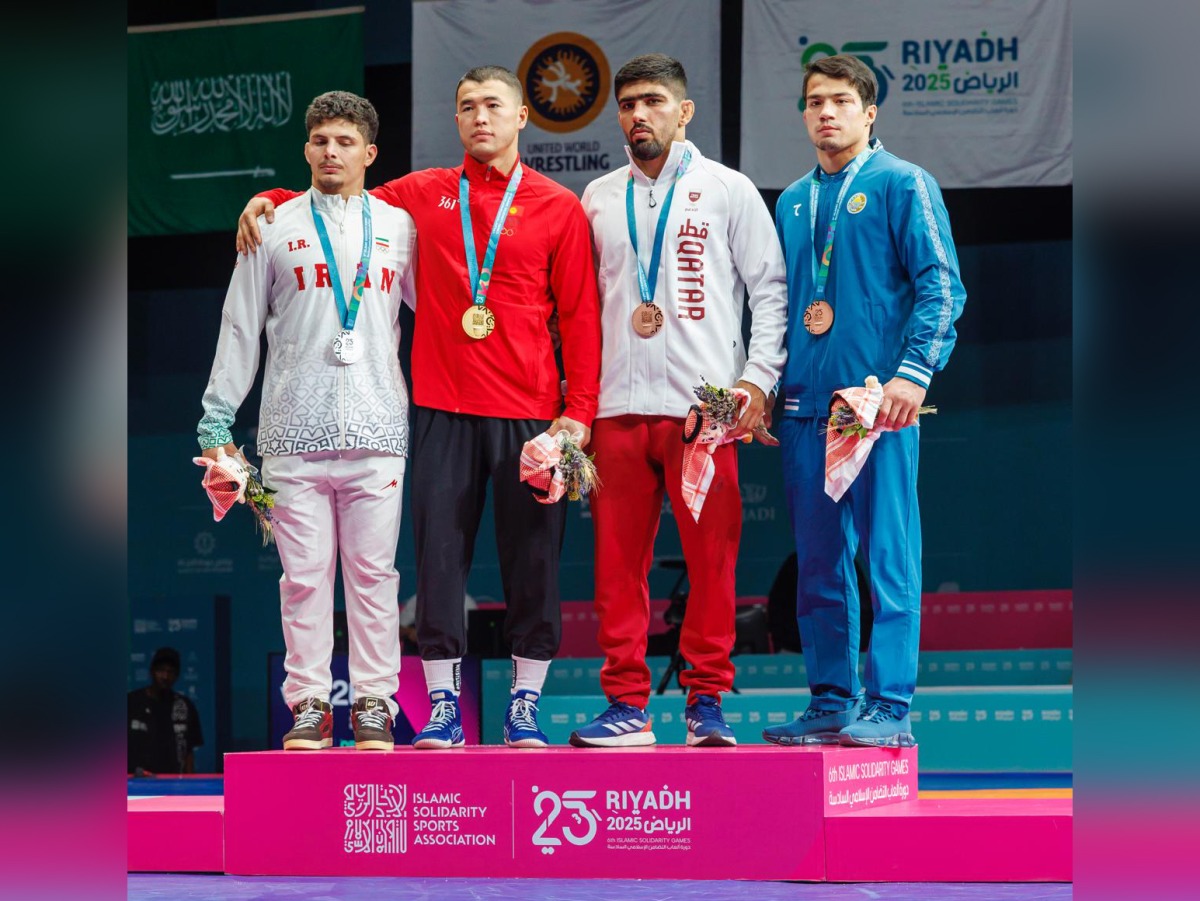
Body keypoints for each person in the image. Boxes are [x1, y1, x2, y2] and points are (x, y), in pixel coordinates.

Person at [235, 67, 602, 750]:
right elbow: (340, 199)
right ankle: (440, 707)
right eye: (466, 107)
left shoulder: (559, 206)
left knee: (535, 562)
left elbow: (581, 318)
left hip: (533, 416)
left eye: (493, 105)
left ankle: (525, 704)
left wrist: (577, 413)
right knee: (435, 564)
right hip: (439, 409)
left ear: (523, 116)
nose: (479, 118)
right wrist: (272, 195)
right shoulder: (421, 196)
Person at [569, 54, 787, 748]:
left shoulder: (728, 189)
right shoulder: (597, 198)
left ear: (684, 111)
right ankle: (627, 703)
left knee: (712, 563)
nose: (639, 114)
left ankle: (707, 702)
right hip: (616, 411)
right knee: (616, 569)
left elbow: (771, 291)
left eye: (654, 101)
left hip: (704, 413)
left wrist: (755, 382)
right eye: (628, 103)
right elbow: (574, 308)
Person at [199, 91, 416, 751]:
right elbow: (239, 328)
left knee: (375, 577)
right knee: (303, 578)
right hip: (292, 436)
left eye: (345, 141)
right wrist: (216, 423)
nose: (331, 151)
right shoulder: (270, 226)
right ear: (305, 149)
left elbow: (440, 324)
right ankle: (311, 705)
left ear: (369, 153)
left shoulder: (402, 229)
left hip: (378, 431)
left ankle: (375, 701)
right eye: (320, 140)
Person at [763, 55, 966, 748]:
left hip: (876, 407)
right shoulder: (791, 200)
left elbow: (942, 286)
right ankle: (829, 697)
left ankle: (889, 702)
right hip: (804, 410)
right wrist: (762, 388)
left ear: (869, 110)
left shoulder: (903, 183)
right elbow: (780, 308)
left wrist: (914, 373)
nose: (827, 112)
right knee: (817, 561)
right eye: (815, 100)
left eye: (842, 100)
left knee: (887, 556)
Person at [128, 647, 203, 774]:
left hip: (172, 782)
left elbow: (188, 752)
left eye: (171, 672)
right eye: (161, 670)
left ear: (177, 676)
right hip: (135, 782)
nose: (165, 676)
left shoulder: (183, 706)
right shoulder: (131, 702)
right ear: (152, 672)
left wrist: (190, 783)